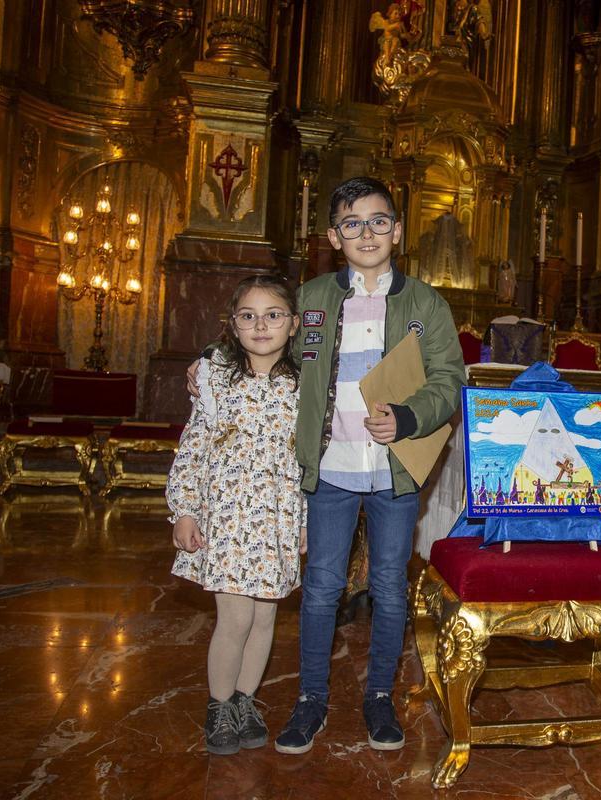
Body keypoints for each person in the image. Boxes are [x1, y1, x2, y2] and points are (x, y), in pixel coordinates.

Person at [190, 177, 464, 755]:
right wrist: (209, 361)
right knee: (320, 590)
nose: (367, 233)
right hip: (329, 470)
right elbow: (261, 334)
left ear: (399, 229)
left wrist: (410, 418)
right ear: (335, 236)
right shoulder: (312, 297)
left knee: (390, 588)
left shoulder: (426, 303)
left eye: (378, 220)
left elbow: (449, 380)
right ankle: (311, 699)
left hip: (394, 471)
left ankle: (379, 699)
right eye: (352, 223)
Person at [168, 274, 305, 756]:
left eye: (273, 316)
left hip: (277, 515)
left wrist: (305, 523)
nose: (260, 325)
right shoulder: (214, 378)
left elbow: (309, 458)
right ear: (232, 325)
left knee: (265, 616)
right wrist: (184, 509)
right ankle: (219, 703)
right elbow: (194, 446)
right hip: (226, 513)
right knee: (235, 617)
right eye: (248, 316)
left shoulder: (304, 386)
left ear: (292, 325)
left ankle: (246, 700)